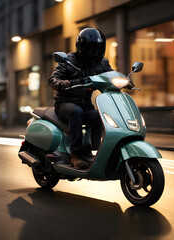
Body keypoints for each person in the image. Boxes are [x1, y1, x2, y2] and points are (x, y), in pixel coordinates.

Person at [48, 28, 113, 169]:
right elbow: (53, 79)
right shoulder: (68, 61)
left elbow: (111, 75)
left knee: (101, 115)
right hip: (65, 104)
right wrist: (63, 83)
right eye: (91, 48)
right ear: (81, 47)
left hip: (86, 105)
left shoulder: (102, 63)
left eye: (97, 48)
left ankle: (92, 149)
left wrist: (124, 79)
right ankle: (75, 155)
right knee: (76, 113)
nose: (94, 52)